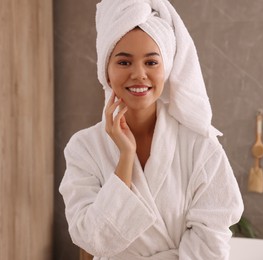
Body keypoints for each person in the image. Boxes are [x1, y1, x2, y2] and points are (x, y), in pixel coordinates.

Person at [59, 0, 244, 259]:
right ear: (106, 72)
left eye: (151, 62)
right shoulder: (84, 147)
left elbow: (211, 243)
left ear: (166, 69)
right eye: (124, 62)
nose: (139, 74)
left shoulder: (201, 147)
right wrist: (125, 157)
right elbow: (92, 241)